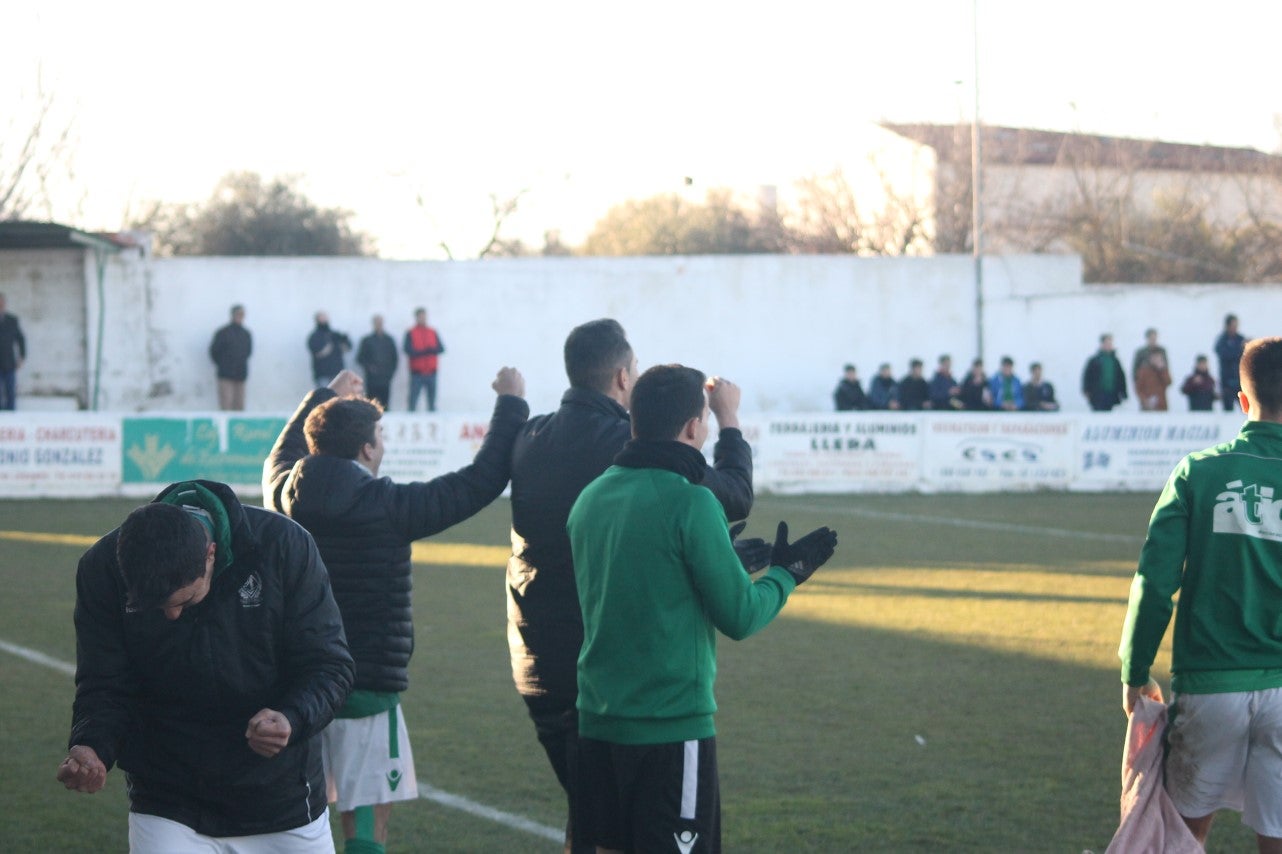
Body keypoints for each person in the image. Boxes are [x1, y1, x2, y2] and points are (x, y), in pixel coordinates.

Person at [505, 319, 754, 854]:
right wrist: (729, 422)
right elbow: (730, 497)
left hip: (537, 659)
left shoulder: (531, 436)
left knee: (597, 824)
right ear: (622, 377)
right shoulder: (634, 446)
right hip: (623, 673)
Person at [568, 363, 838, 853]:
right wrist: (787, 574)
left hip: (598, 722)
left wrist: (717, 559)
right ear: (694, 427)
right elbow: (740, 615)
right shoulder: (691, 502)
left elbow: (636, 578)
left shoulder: (590, 498)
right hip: (669, 731)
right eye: (707, 422)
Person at [264, 367, 528, 854]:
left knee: (297, 824)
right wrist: (511, 402)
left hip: (295, 690)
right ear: (367, 449)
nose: (381, 445)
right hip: (364, 689)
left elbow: (280, 457)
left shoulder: (284, 493)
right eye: (379, 436)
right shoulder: (388, 505)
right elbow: (479, 482)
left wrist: (324, 397)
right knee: (365, 829)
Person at [56, 481, 354, 852]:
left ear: (211, 554)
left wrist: (290, 718)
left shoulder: (283, 545)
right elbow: (105, 681)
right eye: (157, 607)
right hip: (168, 797)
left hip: (281, 800)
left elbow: (329, 665)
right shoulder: (101, 568)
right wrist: (90, 745)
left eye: (186, 599)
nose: (172, 615)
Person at [1118, 336, 1282, 850]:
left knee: (1184, 835)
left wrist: (1134, 669)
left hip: (1211, 685)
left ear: (1241, 399)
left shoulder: (1198, 472)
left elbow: (1155, 582)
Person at [208, 303, 252, 411]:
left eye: (242, 314)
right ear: (233, 315)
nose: (240, 316)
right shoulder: (223, 333)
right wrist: (223, 365)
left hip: (240, 375)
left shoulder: (246, 334)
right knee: (226, 405)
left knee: (239, 406)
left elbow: (248, 352)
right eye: (238, 314)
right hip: (225, 376)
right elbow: (214, 351)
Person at [403, 307, 444, 412]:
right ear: (416, 318)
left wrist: (431, 350)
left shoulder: (432, 331)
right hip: (417, 373)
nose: (423, 319)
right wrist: (424, 351)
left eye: (424, 316)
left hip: (431, 372)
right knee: (413, 400)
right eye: (420, 317)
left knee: (432, 401)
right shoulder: (410, 332)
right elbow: (407, 350)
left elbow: (441, 348)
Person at [356, 314, 399, 410]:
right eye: (377, 323)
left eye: (380, 323)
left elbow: (395, 359)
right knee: (371, 405)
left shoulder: (389, 340)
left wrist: (390, 373)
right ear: (373, 324)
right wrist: (370, 368)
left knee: (385, 405)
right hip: (372, 379)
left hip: (385, 379)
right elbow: (360, 358)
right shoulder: (367, 340)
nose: (379, 325)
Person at [1082, 333, 1128, 412]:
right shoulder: (1094, 360)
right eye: (1107, 343)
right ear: (1102, 344)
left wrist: (1123, 392)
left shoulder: (1115, 361)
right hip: (1097, 394)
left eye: (1110, 343)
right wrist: (1087, 390)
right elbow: (1087, 376)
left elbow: (1121, 377)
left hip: (1111, 393)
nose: (1109, 345)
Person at [308, 311, 352, 388]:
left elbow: (347, 347)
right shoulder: (314, 337)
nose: (324, 320)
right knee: (324, 397)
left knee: (339, 397)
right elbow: (317, 353)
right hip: (322, 373)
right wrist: (325, 350)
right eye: (322, 318)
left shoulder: (335, 335)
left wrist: (344, 343)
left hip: (337, 373)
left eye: (325, 318)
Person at [1133, 328, 1172, 412]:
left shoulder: (1162, 351)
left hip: (1161, 403)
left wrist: (1162, 369)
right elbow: (1137, 383)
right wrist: (1144, 400)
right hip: (1147, 402)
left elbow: (1168, 382)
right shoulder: (1141, 355)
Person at [0, 292, 27, 410]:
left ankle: (11, 419)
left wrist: (22, 356)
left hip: (9, 363)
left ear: (5, 304)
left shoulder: (12, 320)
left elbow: (20, 339)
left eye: (2, 303)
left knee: (10, 391)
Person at [1215, 314, 1246, 413]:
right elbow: (1224, 354)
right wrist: (1239, 349)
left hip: (1240, 380)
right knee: (1227, 410)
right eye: (1233, 325)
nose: (1235, 328)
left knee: (1245, 408)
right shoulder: (1222, 341)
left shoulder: (1240, 339)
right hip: (1227, 382)